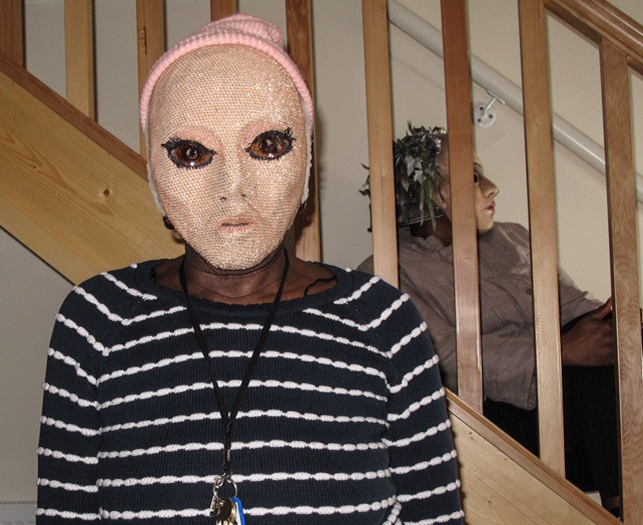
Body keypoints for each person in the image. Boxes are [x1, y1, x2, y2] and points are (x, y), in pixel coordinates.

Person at [35, 17, 464, 525]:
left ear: (306, 164)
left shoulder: (383, 321)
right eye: (192, 153)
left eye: (266, 146)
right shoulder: (96, 320)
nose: (232, 187)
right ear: (154, 175)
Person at [358, 125, 643, 524]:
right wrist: (560, 352)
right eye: (473, 176)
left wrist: (620, 332)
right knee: (590, 369)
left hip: (576, 412)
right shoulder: (389, 270)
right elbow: (440, 356)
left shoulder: (514, 239)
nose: (492, 187)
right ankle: (622, 509)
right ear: (430, 192)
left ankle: (621, 505)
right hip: (492, 425)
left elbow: (572, 306)